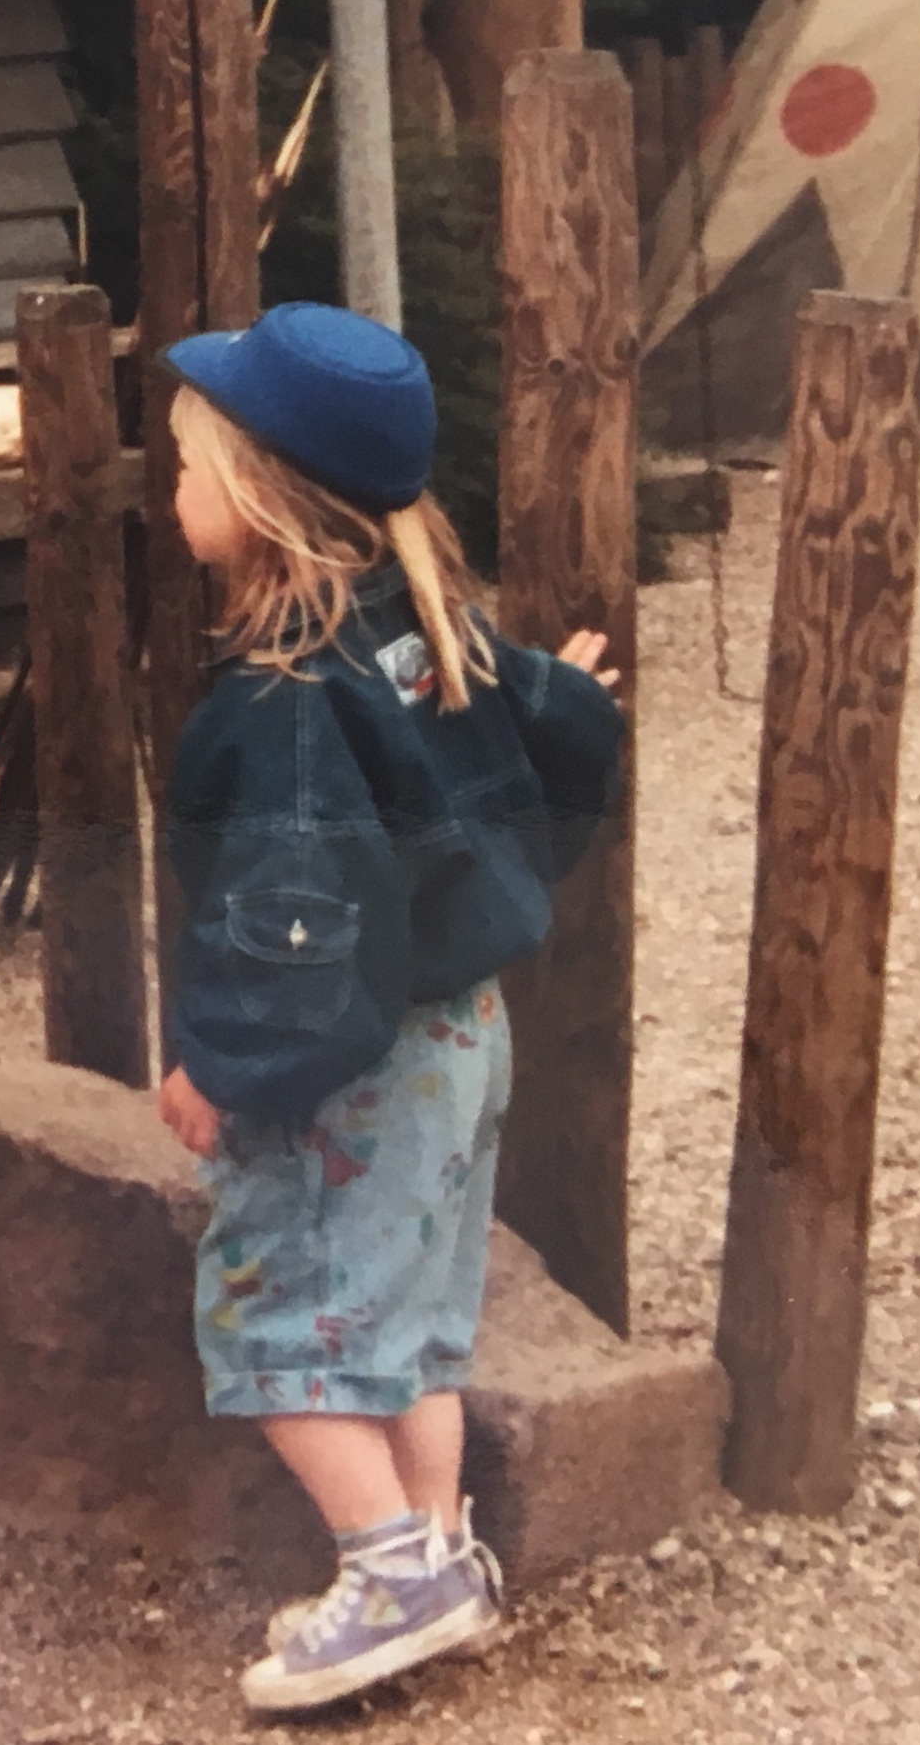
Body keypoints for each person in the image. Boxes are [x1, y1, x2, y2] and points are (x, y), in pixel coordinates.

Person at [146, 303, 625, 1718]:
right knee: (410, 1322)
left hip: (349, 1068)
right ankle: (440, 1554)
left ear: (260, 494)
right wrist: (572, 703)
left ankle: (387, 1568)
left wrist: (221, 1064)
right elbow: (551, 727)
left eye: (186, 465)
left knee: (270, 1325)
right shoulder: (430, 635)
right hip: (460, 1034)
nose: (170, 489)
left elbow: (295, 925)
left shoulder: (286, 700)